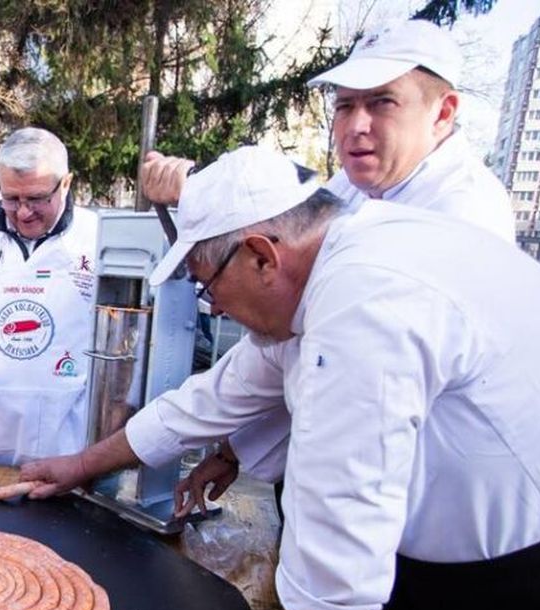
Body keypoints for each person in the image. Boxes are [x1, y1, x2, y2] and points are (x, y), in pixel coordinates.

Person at [22, 145, 540, 610]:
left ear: (262, 256)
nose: (215, 307)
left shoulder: (362, 304)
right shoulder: (344, 261)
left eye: (209, 287)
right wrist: (80, 465)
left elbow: (341, 510)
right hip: (480, 575)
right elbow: (208, 400)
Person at [141, 18, 515, 509]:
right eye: (345, 105)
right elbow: (281, 351)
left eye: (382, 102)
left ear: (442, 113)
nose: (356, 125)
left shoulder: (463, 216)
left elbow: (343, 382)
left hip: (423, 497)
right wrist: (234, 450)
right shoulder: (349, 190)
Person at [0, 127, 99, 465]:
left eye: (37, 198)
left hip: (63, 441)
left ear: (65, 184)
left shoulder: (96, 238)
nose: (23, 212)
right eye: (10, 198)